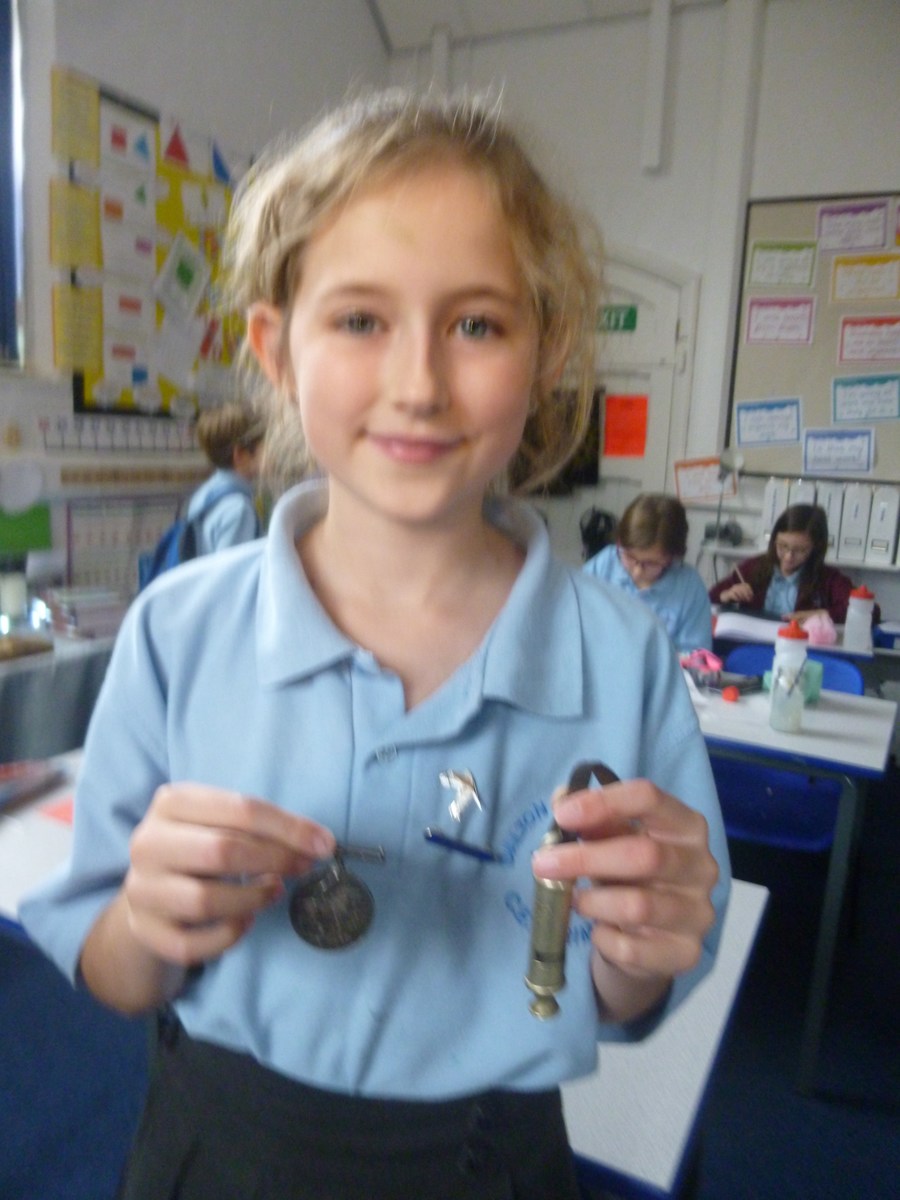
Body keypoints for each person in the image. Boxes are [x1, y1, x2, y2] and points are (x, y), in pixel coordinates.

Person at [20, 89, 729, 1200]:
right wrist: (146, 924)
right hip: (221, 1147)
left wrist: (643, 950)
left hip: (493, 1161)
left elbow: (632, 1001)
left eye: (478, 324)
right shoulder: (180, 631)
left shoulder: (622, 654)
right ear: (276, 348)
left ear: (544, 355)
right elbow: (113, 970)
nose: (418, 383)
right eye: (359, 319)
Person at [708, 502, 877, 626]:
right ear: (774, 539)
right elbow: (710, 597)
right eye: (783, 546)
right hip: (752, 646)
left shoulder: (827, 579)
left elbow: (872, 611)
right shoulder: (753, 567)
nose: (788, 557)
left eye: (800, 550)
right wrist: (727, 595)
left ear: (815, 548)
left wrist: (823, 614)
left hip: (800, 651)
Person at [583, 493, 713, 653]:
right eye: (629, 557)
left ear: (672, 557)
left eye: (651, 563)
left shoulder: (689, 587)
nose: (637, 572)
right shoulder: (603, 565)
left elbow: (695, 656)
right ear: (619, 542)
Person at [188, 401, 266, 553]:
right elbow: (233, 574)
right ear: (240, 455)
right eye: (264, 447)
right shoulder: (239, 509)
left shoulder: (205, 494)